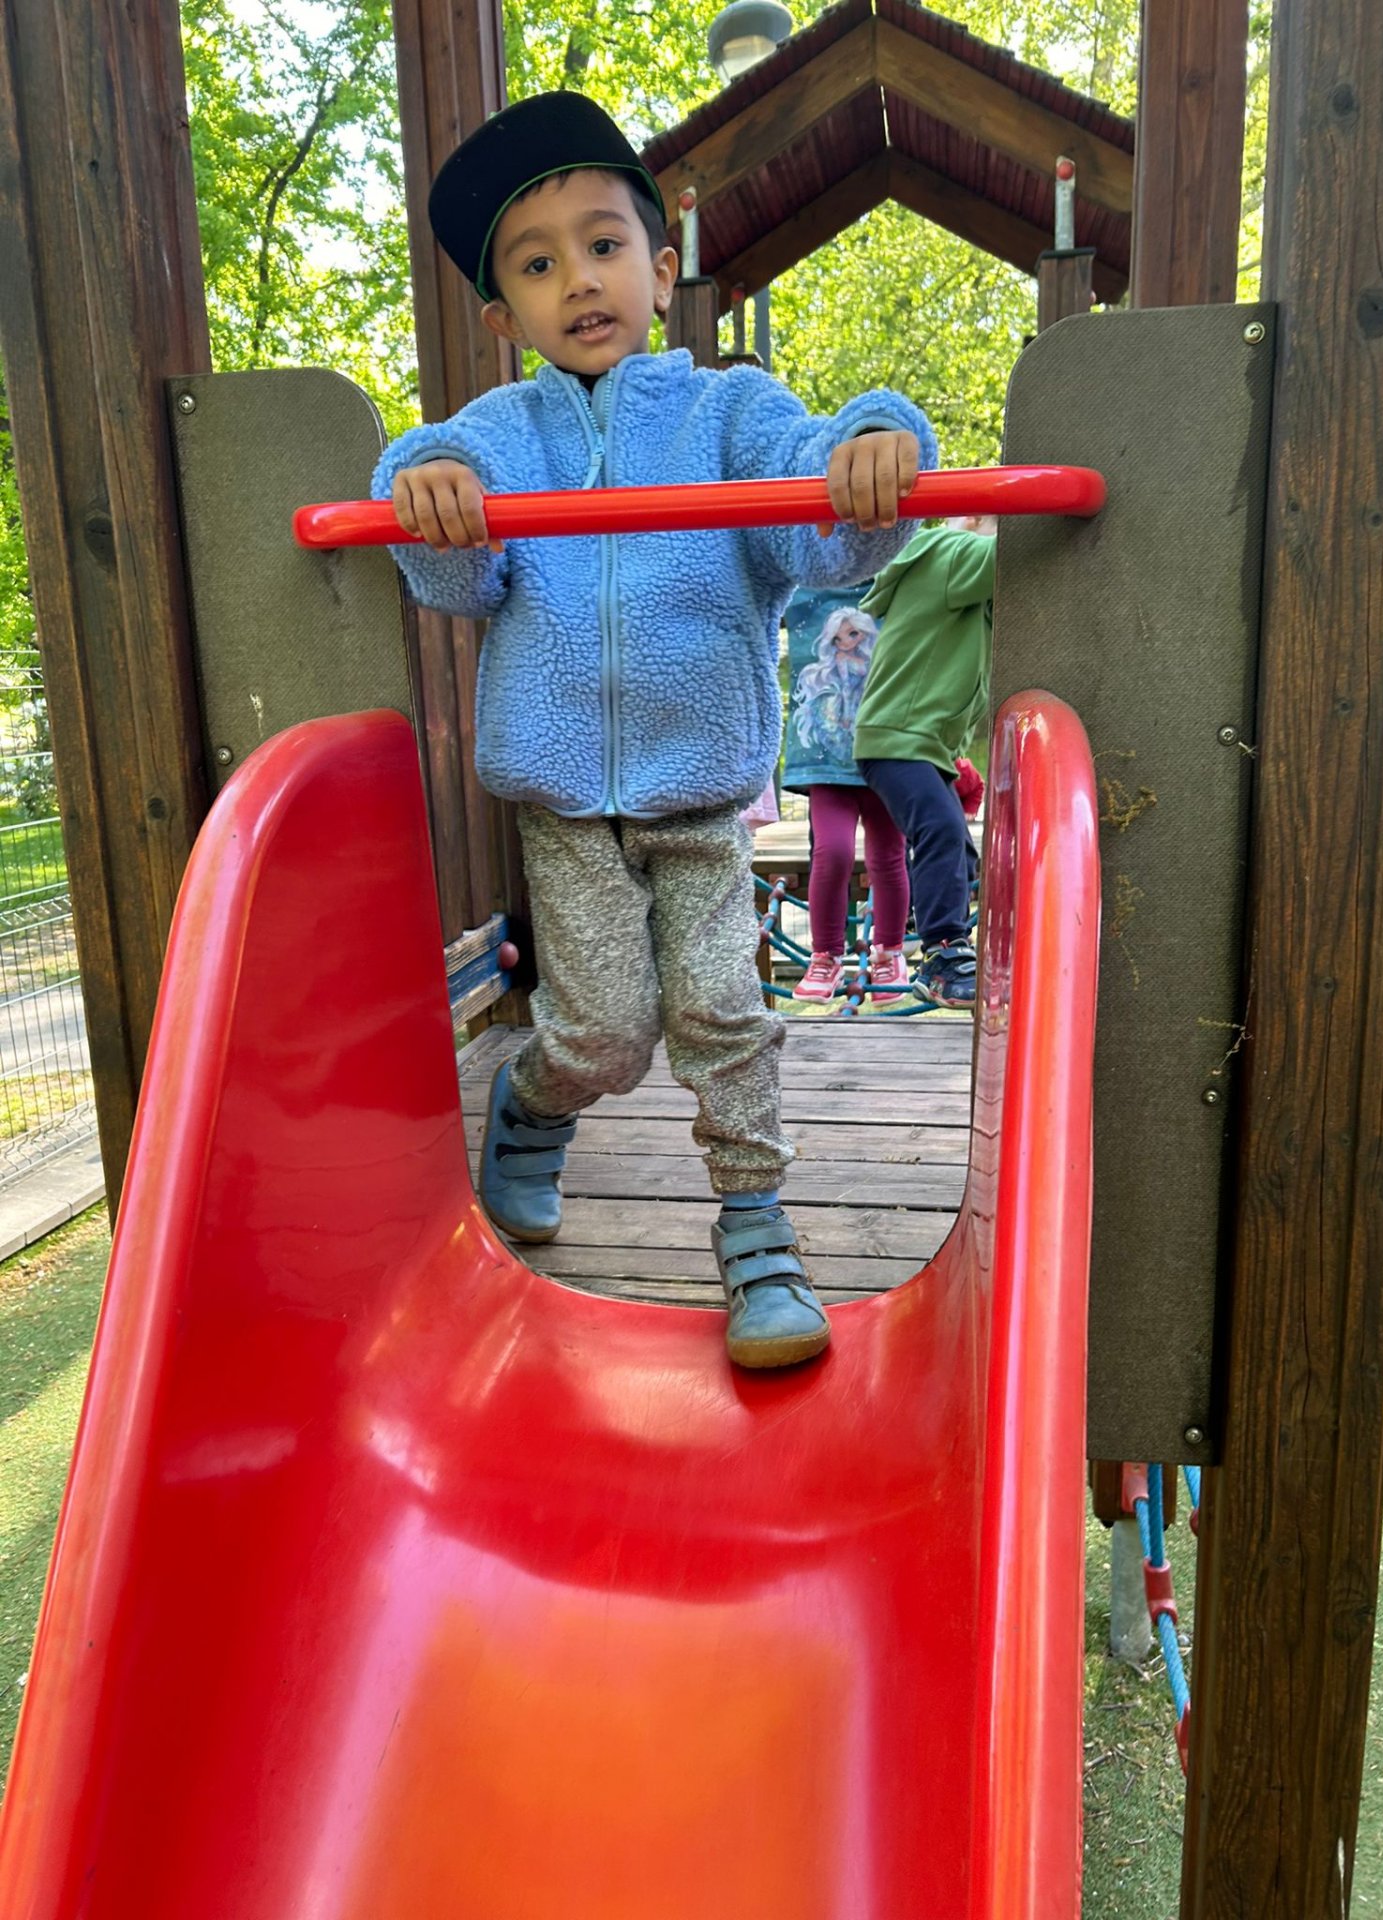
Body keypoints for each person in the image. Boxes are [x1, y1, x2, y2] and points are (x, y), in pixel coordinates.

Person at [372, 92, 936, 1368]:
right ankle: (533, 1105)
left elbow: (823, 526)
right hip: (566, 803)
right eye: (537, 265)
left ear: (661, 269)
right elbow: (453, 570)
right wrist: (426, 491)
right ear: (503, 317)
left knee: (723, 1012)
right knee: (603, 1033)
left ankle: (758, 1233)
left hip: (700, 792)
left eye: (602, 244)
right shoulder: (497, 439)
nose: (578, 279)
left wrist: (875, 444)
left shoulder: (728, 417)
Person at [853, 514, 996, 1008]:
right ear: (972, 519)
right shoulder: (951, 553)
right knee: (939, 829)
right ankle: (943, 954)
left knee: (958, 846)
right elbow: (1008, 556)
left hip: (921, 745)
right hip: (899, 738)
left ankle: (932, 924)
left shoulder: (965, 593)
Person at [780, 593, 910, 1001]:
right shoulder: (803, 590)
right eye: (840, 637)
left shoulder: (894, 584)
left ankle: (888, 951)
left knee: (888, 854)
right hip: (827, 763)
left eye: (854, 634)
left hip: (883, 755)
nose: (847, 642)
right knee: (832, 851)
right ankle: (825, 956)